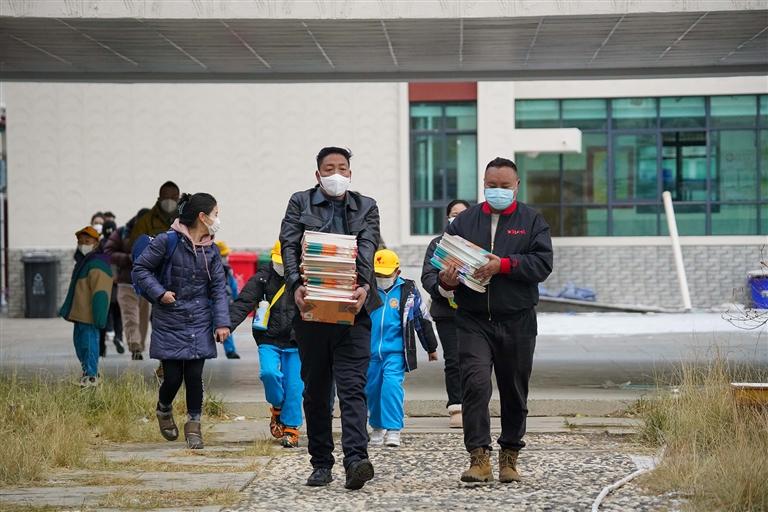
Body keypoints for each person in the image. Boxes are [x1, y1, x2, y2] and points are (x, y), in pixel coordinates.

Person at [440, 157, 552, 484]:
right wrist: (447, 280)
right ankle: (478, 458)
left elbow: (542, 265)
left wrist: (503, 265)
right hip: (473, 319)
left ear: (517, 186)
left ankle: (510, 457)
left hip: (518, 319)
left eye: (504, 186)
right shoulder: (464, 222)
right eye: (492, 186)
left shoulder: (532, 221)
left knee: (514, 390)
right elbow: (440, 267)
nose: (498, 191)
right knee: (474, 384)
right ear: (483, 185)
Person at [280, 146, 381, 490]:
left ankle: (356, 460)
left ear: (350, 173)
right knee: (317, 392)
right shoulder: (300, 202)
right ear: (318, 174)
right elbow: (289, 244)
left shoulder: (366, 206)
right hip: (310, 312)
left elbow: (368, 247)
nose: (336, 174)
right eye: (329, 168)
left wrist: (364, 285)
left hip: (353, 311)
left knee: (353, 388)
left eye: (342, 168)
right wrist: (295, 284)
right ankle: (321, 463)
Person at [132, 192, 231, 450]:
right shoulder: (167, 241)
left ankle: (194, 425)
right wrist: (160, 293)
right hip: (170, 319)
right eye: (216, 214)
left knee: (195, 376)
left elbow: (219, 289)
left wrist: (222, 323)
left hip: (199, 319)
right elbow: (140, 269)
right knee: (174, 377)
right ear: (202, 217)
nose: (218, 219)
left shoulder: (211, 250)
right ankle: (164, 408)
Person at [229, 241, 304, 448]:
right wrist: (227, 325)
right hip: (269, 339)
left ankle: (291, 429)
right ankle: (277, 406)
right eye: (278, 262)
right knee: (269, 374)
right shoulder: (262, 278)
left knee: (295, 386)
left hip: (296, 342)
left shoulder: (304, 280)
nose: (281, 266)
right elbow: (243, 302)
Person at [367, 249, 438, 448]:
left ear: (397, 272)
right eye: (378, 274)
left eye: (385, 274)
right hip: (370, 353)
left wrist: (431, 347)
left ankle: (393, 429)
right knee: (372, 390)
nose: (381, 278)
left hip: (396, 352)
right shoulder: (367, 289)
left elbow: (422, 319)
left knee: (391, 387)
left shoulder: (408, 291)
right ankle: (377, 427)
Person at [420, 199, 471, 428]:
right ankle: (457, 407)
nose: (458, 218)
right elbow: (427, 276)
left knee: (477, 360)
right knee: (454, 359)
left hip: (476, 311)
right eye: (454, 214)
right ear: (448, 217)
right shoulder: (437, 244)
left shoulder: (479, 243)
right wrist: (443, 287)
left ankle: (475, 406)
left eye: (463, 214)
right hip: (446, 312)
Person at [127, 181, 181, 360]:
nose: (170, 201)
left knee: (175, 320)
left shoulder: (184, 219)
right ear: (159, 198)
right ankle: (162, 360)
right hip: (153, 277)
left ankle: (170, 360)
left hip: (177, 275)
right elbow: (135, 247)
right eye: (166, 197)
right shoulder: (146, 221)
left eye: (173, 197)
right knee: (156, 317)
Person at [59, 226, 113, 387]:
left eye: (87, 241)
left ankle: (91, 376)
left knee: (88, 346)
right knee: (81, 345)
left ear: (96, 243)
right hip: (80, 314)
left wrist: (99, 317)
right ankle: (88, 373)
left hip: (89, 315)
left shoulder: (97, 263)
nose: (83, 244)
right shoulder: (84, 262)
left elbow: (101, 292)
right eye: (80, 241)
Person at [105, 208, 151, 361]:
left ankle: (140, 345)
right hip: (126, 282)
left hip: (146, 283)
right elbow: (108, 252)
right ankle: (134, 346)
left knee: (143, 318)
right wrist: (127, 258)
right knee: (130, 316)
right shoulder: (122, 233)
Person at [99, 220, 125, 357]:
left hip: (103, 286)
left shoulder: (100, 245)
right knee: (118, 314)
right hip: (117, 285)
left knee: (103, 316)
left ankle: (102, 346)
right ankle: (119, 337)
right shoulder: (119, 243)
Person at [215, 241, 241, 359]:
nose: (226, 258)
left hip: (226, 303)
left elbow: (233, 286)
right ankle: (229, 350)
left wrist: (236, 300)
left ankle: (230, 350)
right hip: (215, 304)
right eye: (224, 255)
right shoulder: (217, 269)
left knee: (225, 325)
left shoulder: (227, 269)